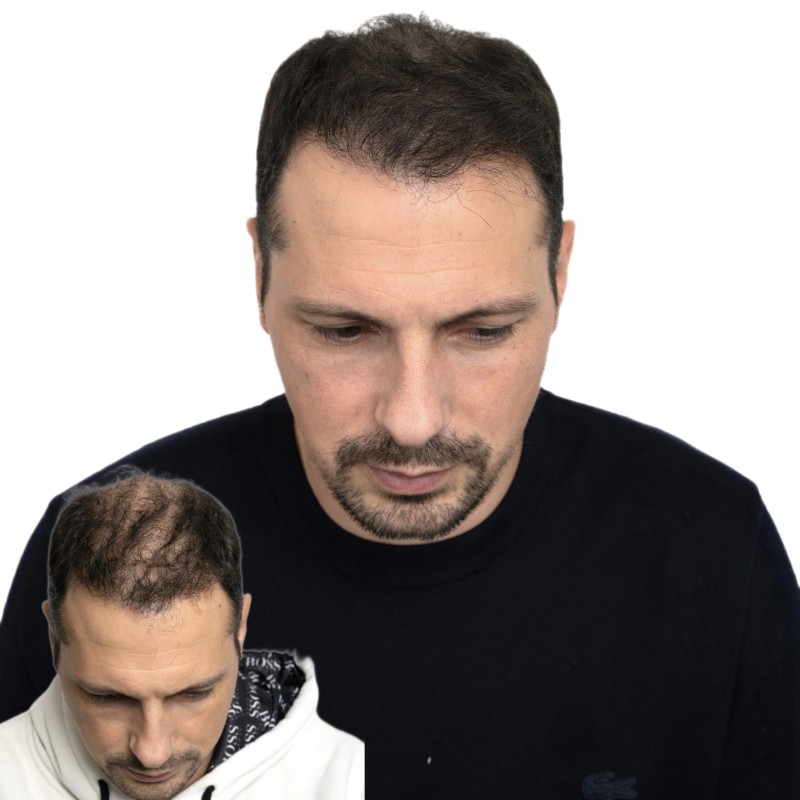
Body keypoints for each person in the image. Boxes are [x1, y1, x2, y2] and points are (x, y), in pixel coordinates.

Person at [2, 13, 798, 798]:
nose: (412, 420)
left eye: (482, 331)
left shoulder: (715, 553)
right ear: (260, 275)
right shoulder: (103, 550)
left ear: (560, 273)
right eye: (345, 331)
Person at [0, 472, 364, 799]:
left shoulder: (350, 780)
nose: (152, 753)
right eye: (107, 697)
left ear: (240, 629)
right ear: (53, 638)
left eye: (194, 693)